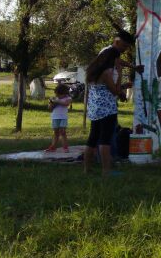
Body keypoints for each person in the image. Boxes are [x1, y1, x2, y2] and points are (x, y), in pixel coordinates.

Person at [83, 47, 129, 175]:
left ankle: (87, 169)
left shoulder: (93, 71)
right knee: (105, 140)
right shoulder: (107, 72)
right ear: (113, 58)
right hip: (107, 110)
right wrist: (120, 74)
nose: (119, 61)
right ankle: (106, 171)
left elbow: (102, 89)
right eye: (118, 59)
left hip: (94, 109)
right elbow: (115, 91)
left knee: (92, 139)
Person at [46, 83, 72, 153]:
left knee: (62, 132)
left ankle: (65, 147)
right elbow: (49, 108)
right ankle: (53, 147)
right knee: (56, 132)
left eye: (60, 94)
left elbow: (66, 104)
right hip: (55, 117)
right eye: (57, 94)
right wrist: (52, 103)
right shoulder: (55, 98)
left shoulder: (68, 98)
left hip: (63, 117)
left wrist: (57, 101)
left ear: (65, 93)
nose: (58, 95)